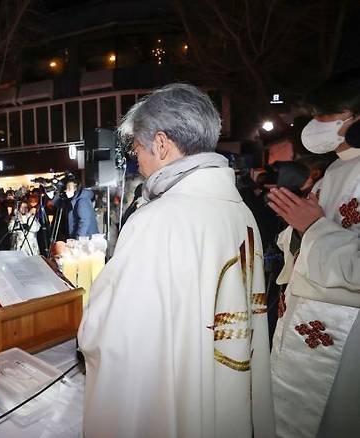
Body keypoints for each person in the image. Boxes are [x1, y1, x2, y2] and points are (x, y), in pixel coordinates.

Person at [77, 84, 274, 437]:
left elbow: (116, 335)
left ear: (162, 144)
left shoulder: (159, 220)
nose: (138, 160)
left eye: (138, 148)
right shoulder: (241, 212)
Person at [267, 73, 360, 437]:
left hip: (347, 330)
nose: (315, 125)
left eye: (326, 115)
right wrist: (296, 224)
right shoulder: (334, 170)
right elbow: (304, 241)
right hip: (302, 314)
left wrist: (314, 228)